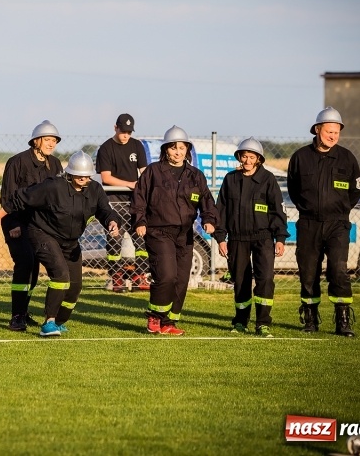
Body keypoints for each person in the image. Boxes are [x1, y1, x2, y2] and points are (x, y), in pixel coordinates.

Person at [7, 151, 120, 337]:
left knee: (75, 286)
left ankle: (59, 321)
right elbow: (22, 196)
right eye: (79, 174)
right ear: (71, 173)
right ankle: (48, 322)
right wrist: (1, 216)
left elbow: (105, 211)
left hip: (70, 242)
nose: (83, 178)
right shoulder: (54, 187)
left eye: (87, 175)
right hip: (43, 234)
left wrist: (112, 222)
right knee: (60, 275)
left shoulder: (95, 190)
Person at [132, 125, 218, 335]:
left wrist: (209, 219)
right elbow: (139, 198)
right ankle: (155, 316)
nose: (178, 152)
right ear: (165, 150)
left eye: (182, 148)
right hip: (158, 232)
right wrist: (140, 222)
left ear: (187, 150)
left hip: (185, 234)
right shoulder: (153, 172)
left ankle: (170, 322)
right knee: (167, 276)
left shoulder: (195, 176)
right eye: (173, 148)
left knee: (181, 279)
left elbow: (207, 200)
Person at [287, 106, 360, 337]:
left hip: (338, 224)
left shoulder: (347, 158)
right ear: (317, 130)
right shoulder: (300, 157)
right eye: (329, 131)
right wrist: (308, 209)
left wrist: (339, 210)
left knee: (338, 271)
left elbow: (356, 190)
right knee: (308, 272)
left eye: (337, 132)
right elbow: (293, 189)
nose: (333, 136)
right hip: (309, 224)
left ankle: (342, 320)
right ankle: (310, 318)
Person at [0, 120, 63, 332]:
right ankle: (17, 316)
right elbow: (8, 196)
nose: (51, 144)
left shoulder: (55, 164)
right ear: (36, 141)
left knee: (35, 268)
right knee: (25, 264)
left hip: (42, 226)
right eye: (47, 139)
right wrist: (12, 223)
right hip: (17, 223)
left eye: (54, 141)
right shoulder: (17, 162)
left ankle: (25, 310)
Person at [213, 137, 289, 338]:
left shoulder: (268, 179)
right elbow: (221, 211)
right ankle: (240, 322)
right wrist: (221, 238)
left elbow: (278, 211)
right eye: (244, 156)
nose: (247, 160)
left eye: (251, 157)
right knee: (240, 281)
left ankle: (263, 323)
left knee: (265, 279)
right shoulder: (231, 179)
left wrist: (280, 238)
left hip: (263, 238)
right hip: (237, 239)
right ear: (239, 157)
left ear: (259, 159)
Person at [96, 113, 149, 291]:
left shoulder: (137, 145)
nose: (126, 135)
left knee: (140, 239)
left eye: (129, 132)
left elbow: (144, 171)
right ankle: (116, 275)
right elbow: (106, 177)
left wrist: (143, 187)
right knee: (115, 238)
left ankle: (139, 275)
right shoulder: (106, 148)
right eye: (123, 131)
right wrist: (129, 184)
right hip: (114, 201)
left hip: (134, 201)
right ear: (115, 128)